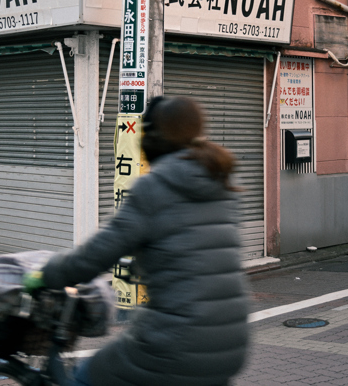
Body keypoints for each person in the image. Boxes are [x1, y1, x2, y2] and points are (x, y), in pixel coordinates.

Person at [27, 95, 249, 386]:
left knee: (84, 377)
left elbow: (94, 256)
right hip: (231, 344)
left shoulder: (153, 187)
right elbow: (197, 252)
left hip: (173, 344)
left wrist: (47, 273)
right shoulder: (222, 183)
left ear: (152, 140)